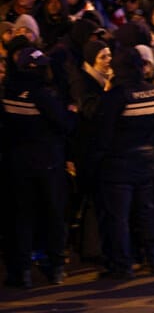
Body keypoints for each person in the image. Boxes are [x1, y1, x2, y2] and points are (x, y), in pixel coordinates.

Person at [93, 48, 154, 278]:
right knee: (146, 212)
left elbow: (103, 133)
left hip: (118, 164)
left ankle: (122, 265)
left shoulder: (116, 96)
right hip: (147, 160)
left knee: (119, 218)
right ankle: (152, 258)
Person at [2, 45, 74, 288]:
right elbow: (64, 124)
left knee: (20, 217)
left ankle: (21, 270)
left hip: (17, 161)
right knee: (52, 214)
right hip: (47, 161)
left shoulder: (8, 92)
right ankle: (55, 267)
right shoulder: (43, 94)